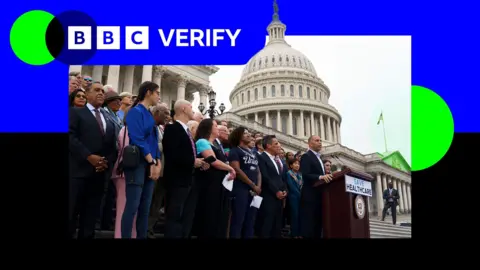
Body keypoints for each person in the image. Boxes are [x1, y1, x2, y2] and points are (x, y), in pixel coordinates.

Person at [69, 81, 117, 239]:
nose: (101, 93)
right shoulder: (75, 112)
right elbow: (70, 137)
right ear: (87, 94)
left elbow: (111, 144)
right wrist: (89, 156)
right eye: (97, 90)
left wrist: (104, 162)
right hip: (77, 173)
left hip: (98, 175)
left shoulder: (107, 118)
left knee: (89, 220)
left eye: (103, 91)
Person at [121, 81, 162, 239]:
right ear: (148, 92)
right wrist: (152, 161)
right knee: (132, 206)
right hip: (138, 163)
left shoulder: (149, 114)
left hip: (149, 163)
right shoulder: (135, 112)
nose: (159, 96)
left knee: (145, 209)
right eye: (157, 92)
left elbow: (153, 141)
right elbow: (137, 138)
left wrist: (157, 162)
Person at [163, 100, 208, 238]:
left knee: (185, 217)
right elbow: (172, 154)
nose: (192, 110)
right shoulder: (172, 128)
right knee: (175, 216)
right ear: (183, 109)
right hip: (177, 180)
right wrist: (192, 161)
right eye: (190, 107)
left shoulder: (186, 131)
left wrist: (198, 162)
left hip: (188, 179)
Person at [194, 119, 236, 238]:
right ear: (208, 128)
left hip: (219, 184)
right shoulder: (202, 141)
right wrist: (230, 168)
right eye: (216, 126)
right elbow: (212, 160)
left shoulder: (216, 145)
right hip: (209, 184)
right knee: (210, 215)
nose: (218, 128)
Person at [228, 127, 261, 238]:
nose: (248, 135)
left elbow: (258, 171)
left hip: (254, 192)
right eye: (245, 133)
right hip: (240, 190)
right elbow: (237, 170)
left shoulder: (253, 153)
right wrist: (252, 184)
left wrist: (258, 186)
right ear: (238, 136)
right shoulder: (235, 151)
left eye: (248, 132)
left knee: (250, 221)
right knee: (238, 220)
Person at [110, 108, 137, 238]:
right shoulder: (127, 130)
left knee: (131, 209)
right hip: (124, 172)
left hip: (128, 172)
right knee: (123, 208)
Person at [299, 135, 332, 238]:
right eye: (317, 140)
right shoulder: (306, 156)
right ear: (310, 143)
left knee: (317, 227)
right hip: (310, 196)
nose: (320, 142)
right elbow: (305, 174)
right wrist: (320, 177)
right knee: (310, 227)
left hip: (319, 196)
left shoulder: (319, 158)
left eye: (320, 140)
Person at [147, 103, 171, 238]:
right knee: (150, 201)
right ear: (157, 113)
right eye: (166, 113)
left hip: (162, 171)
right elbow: (153, 146)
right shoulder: (150, 127)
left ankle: (150, 228)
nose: (168, 117)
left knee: (156, 203)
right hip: (152, 169)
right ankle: (144, 228)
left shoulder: (163, 129)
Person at [257, 135, 287, 238]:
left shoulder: (277, 160)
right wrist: (276, 191)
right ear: (268, 146)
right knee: (267, 225)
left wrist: (284, 190)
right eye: (276, 143)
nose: (279, 145)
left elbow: (280, 178)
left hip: (279, 197)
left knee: (277, 225)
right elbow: (265, 177)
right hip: (268, 196)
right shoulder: (261, 157)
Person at [286, 159, 302, 238]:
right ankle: (294, 234)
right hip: (293, 197)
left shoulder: (300, 175)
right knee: (294, 216)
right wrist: (299, 194)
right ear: (291, 165)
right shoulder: (289, 174)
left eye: (298, 164)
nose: (297, 165)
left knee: (300, 216)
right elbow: (291, 186)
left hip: (301, 198)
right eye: (295, 163)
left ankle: (300, 233)